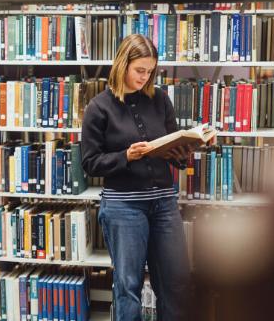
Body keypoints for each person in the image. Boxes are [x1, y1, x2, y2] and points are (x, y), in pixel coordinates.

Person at [81, 34, 195, 320]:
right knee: (128, 287)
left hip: (164, 205)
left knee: (176, 283)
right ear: (123, 65)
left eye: (150, 71)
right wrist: (125, 157)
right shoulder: (99, 107)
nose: (145, 77)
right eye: (139, 70)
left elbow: (174, 146)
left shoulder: (160, 101)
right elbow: (90, 163)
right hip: (124, 207)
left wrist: (183, 151)